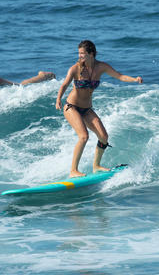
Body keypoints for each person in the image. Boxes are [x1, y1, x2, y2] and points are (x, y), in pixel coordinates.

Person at [56, 40, 143, 178]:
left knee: (103, 136)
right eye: (78, 53)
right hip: (71, 107)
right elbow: (64, 84)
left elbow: (119, 76)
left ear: (91, 54)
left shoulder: (101, 67)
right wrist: (58, 99)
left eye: (82, 53)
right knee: (84, 136)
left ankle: (96, 166)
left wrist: (134, 79)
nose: (79, 56)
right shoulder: (75, 69)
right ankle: (73, 170)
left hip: (87, 109)